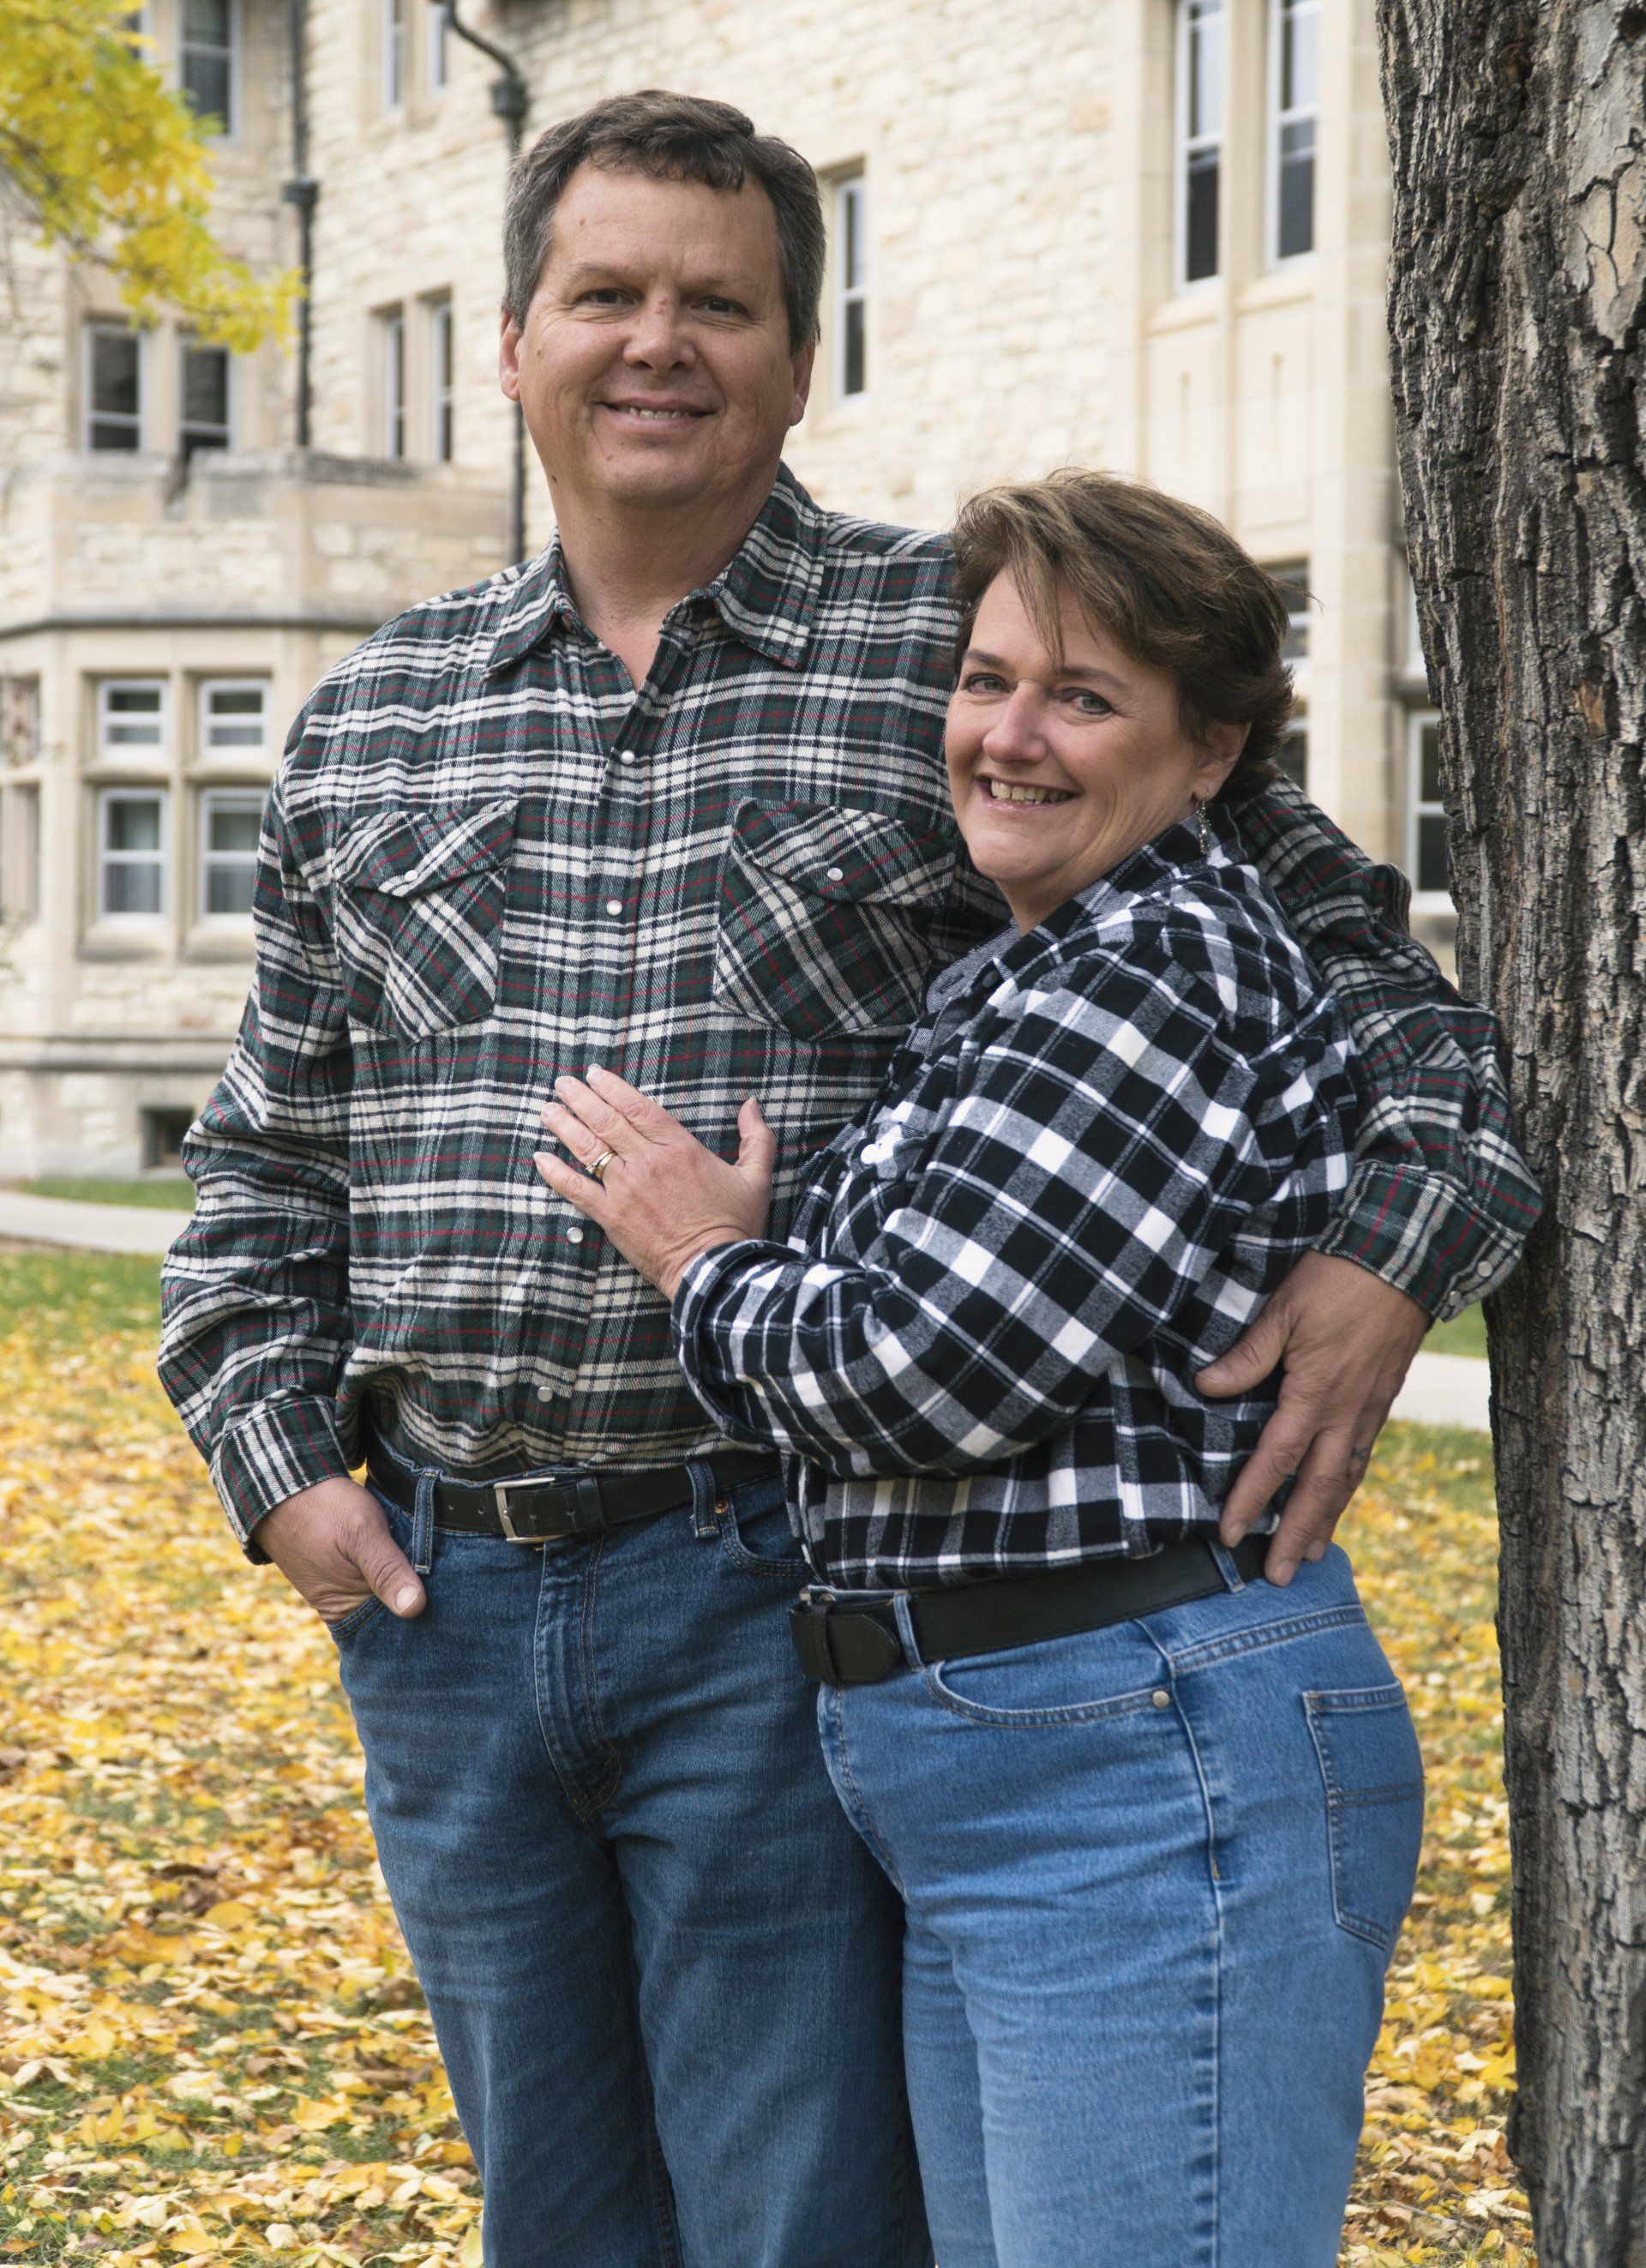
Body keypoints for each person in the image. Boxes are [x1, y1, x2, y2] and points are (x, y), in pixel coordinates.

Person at [159, 93, 1539, 2268]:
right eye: (604, 294)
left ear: (804, 357)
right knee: (555, 2221)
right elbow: (262, 1156)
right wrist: (278, 1471)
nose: (658, 343)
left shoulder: (967, 651)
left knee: (801, 2216)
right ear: (512, 340)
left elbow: (1362, 971)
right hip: (439, 1601)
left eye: (720, 305)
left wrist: (1396, 1245)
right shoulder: (376, 717)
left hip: (769, 1577)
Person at [537, 470, 1520, 2268]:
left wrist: (697, 1257)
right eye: (987, 681)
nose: (1009, 736)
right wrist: (775, 1258)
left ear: (1213, 751)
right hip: (1001, 1763)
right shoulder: (1026, 971)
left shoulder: (1145, 967)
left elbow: (924, 1373)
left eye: (1084, 697)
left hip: (1135, 1762)